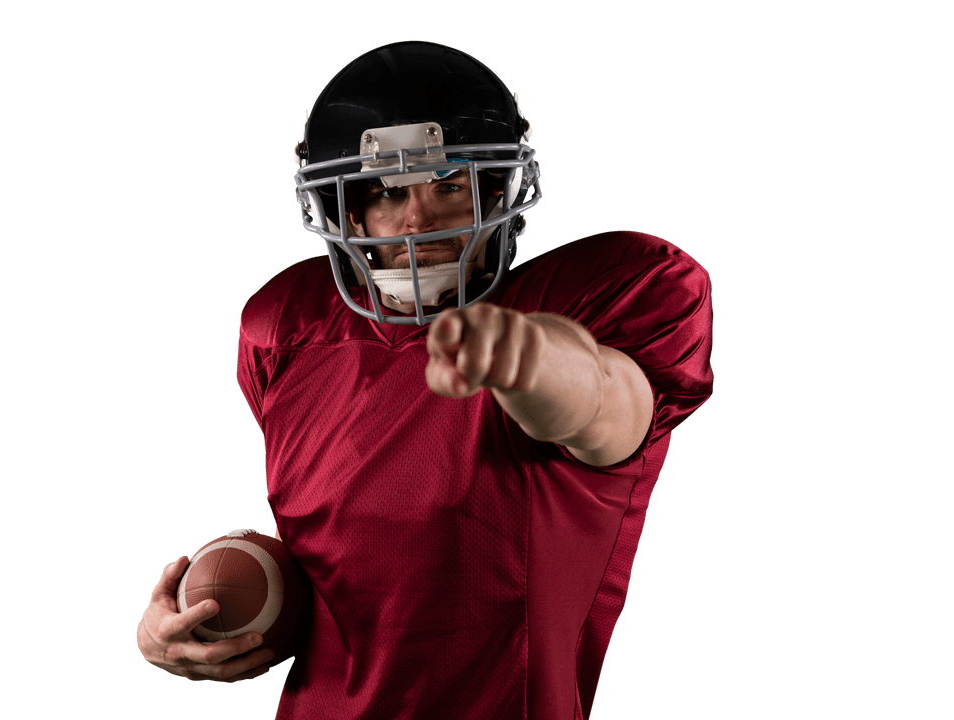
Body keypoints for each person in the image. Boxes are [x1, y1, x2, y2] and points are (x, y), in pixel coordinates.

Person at [137, 41, 713, 719]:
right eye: (386, 192)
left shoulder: (582, 307)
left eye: (448, 187)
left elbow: (609, 410)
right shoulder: (288, 333)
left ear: (500, 191)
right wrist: (193, 622)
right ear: (345, 210)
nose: (417, 223)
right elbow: (362, 566)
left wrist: (535, 360)